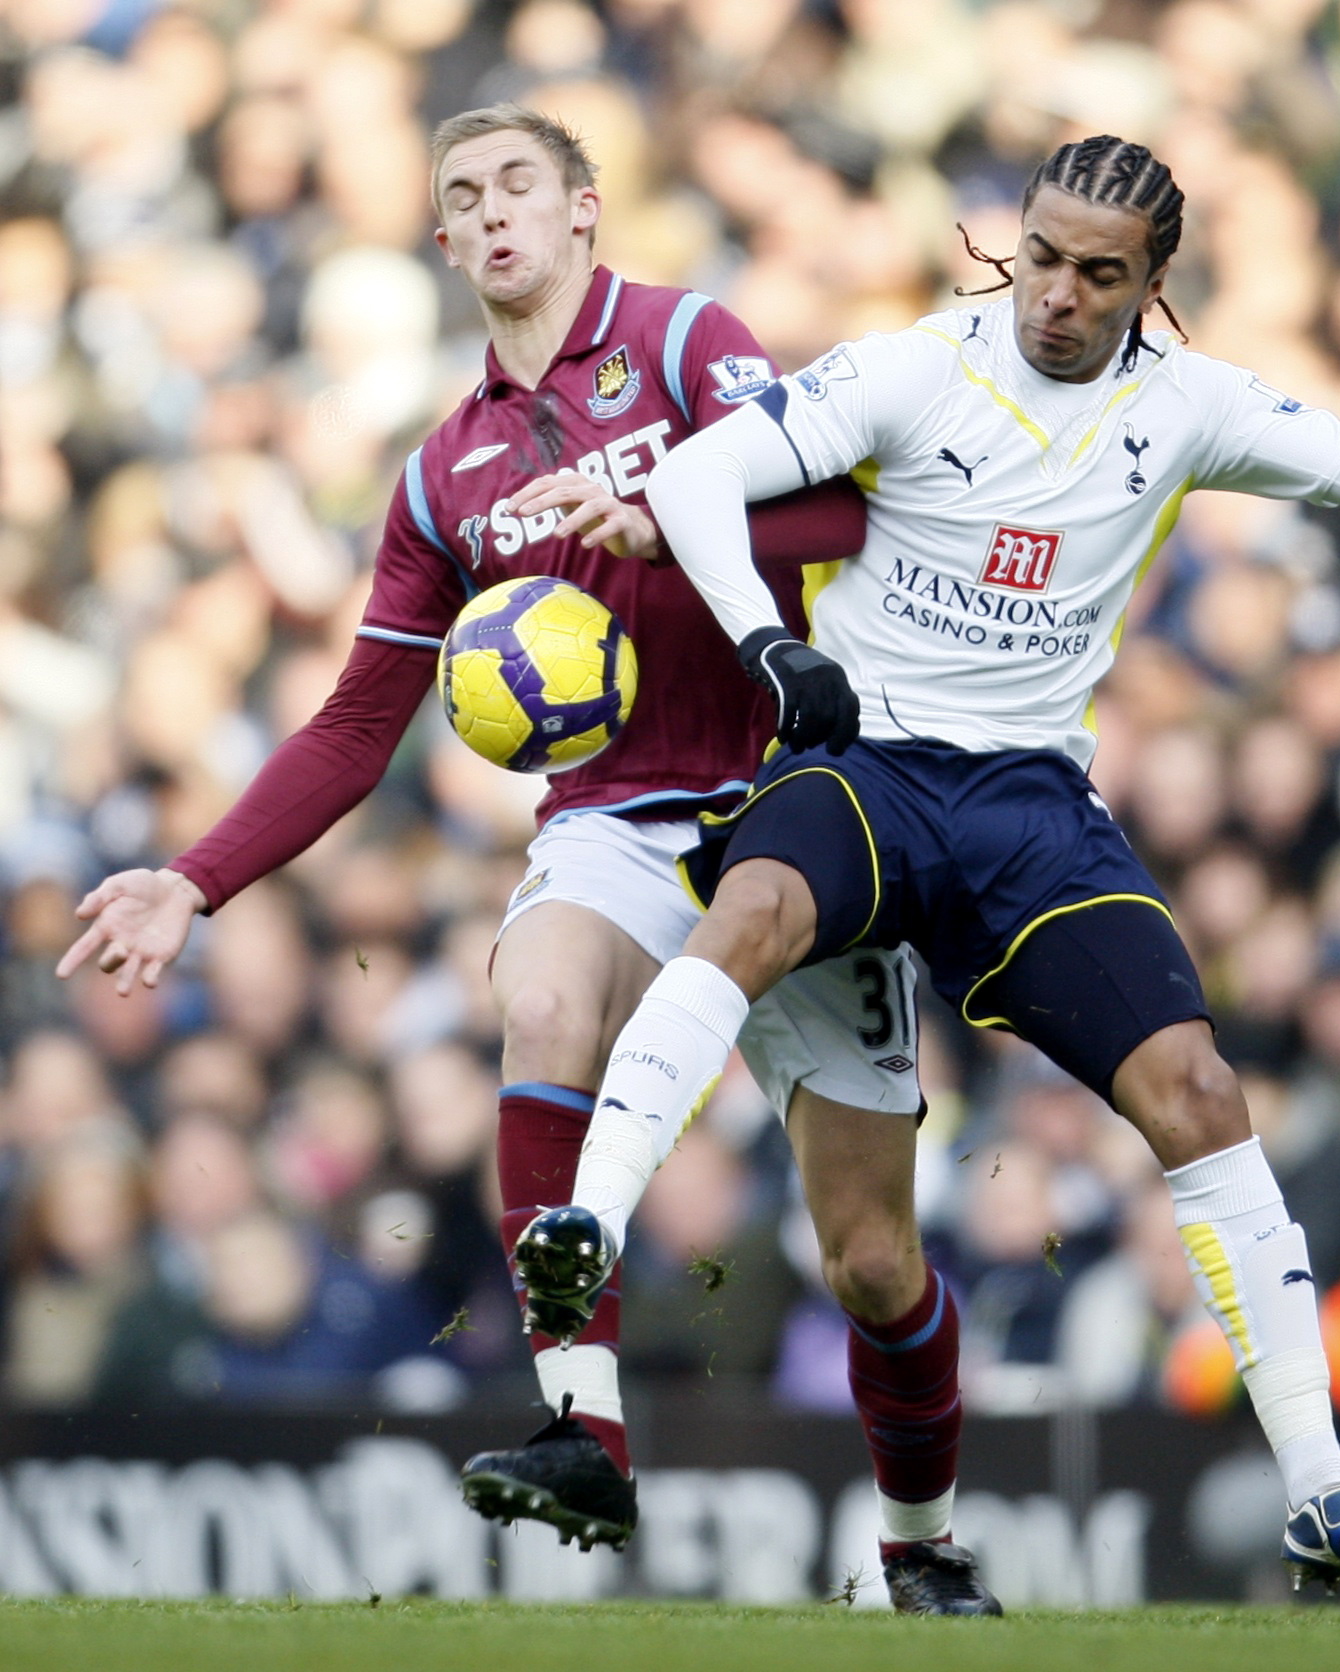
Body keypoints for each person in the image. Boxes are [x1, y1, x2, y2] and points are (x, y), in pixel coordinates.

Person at [526, 134, 1340, 1595]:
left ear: (1150, 282)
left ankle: (1319, 1484)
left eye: (1094, 274)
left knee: (1196, 1088)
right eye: (1039, 257)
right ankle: (589, 1221)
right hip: (866, 761)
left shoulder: (1183, 408)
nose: (1054, 294)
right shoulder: (918, 365)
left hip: (1029, 810)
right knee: (757, 907)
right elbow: (697, 483)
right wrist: (770, 645)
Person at [55, 104, 926, 1568]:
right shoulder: (437, 477)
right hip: (614, 821)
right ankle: (583, 1431)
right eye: (466, 194)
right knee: (535, 996)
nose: (496, 208)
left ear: (585, 209)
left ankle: (924, 1537)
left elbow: (840, 508)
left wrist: (660, 509)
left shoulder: (683, 338)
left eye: (523, 181)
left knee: (872, 1261)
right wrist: (194, 879)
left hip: (788, 801)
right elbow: (351, 728)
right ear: (447, 239)